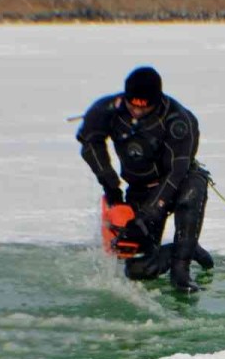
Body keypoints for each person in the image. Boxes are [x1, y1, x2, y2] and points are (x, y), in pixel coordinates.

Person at [76, 66, 213, 292]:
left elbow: (176, 172)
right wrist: (112, 189)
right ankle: (184, 248)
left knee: (190, 192)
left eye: (145, 107)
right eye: (133, 105)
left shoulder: (178, 120)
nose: (138, 111)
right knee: (137, 271)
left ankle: (182, 266)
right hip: (140, 189)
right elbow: (89, 143)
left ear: (157, 102)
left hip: (180, 181)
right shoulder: (107, 110)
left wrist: (148, 214)